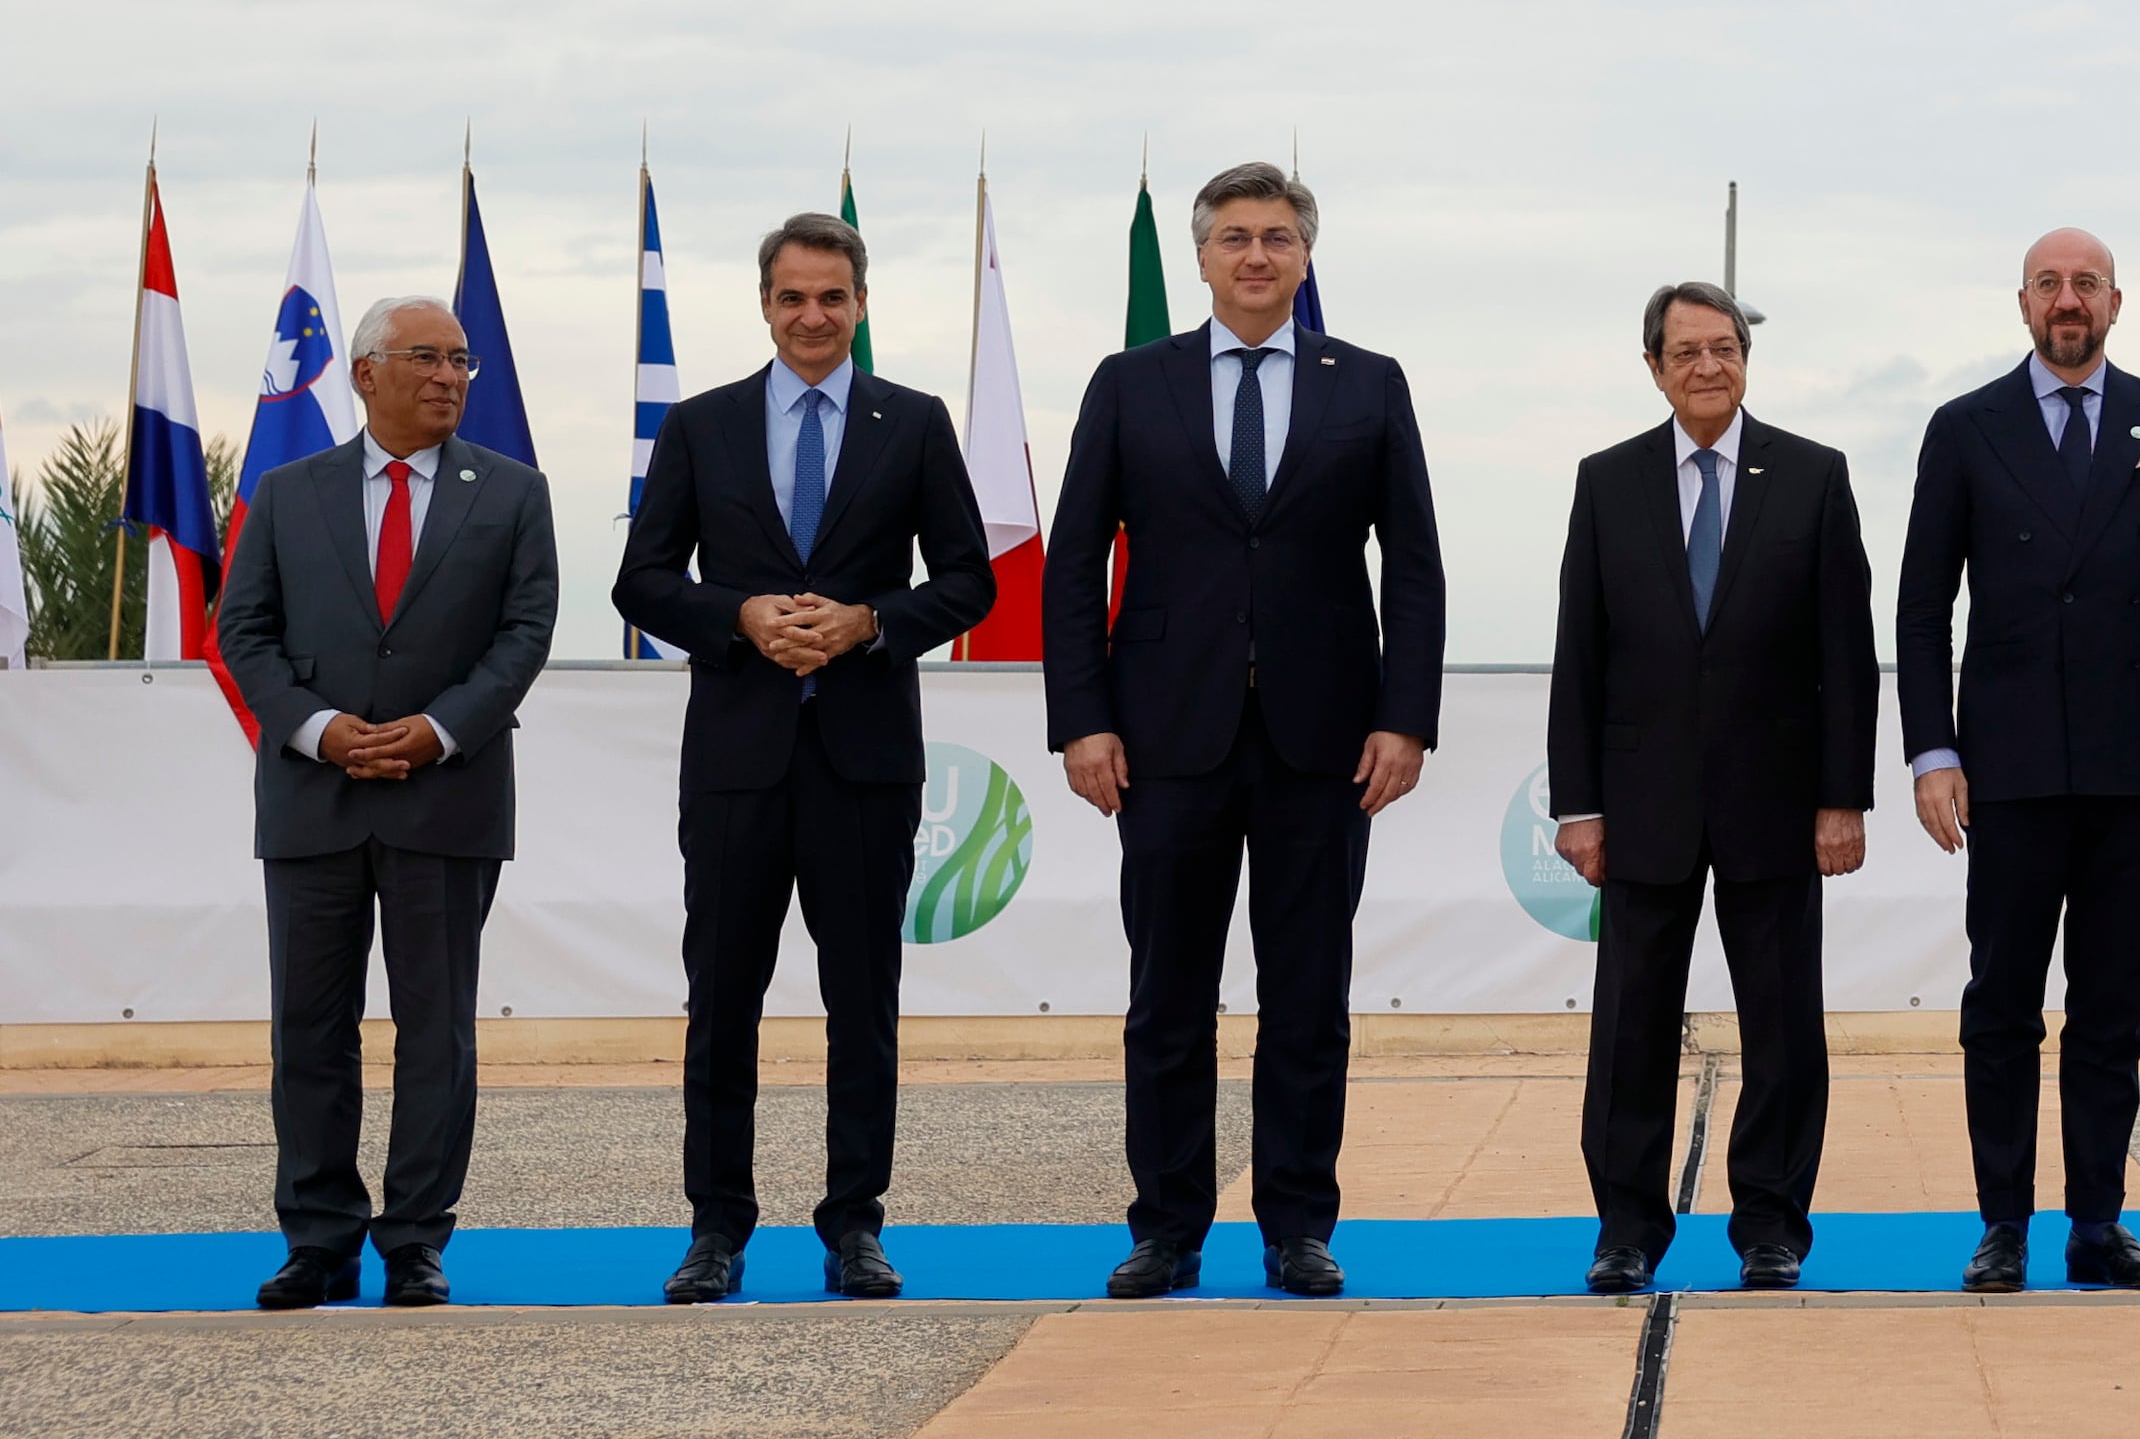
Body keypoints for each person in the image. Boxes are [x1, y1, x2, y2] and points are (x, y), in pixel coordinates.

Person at [1037, 161, 1447, 1301]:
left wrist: (1404, 717)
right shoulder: (1131, 382)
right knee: (1168, 995)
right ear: (1203, 256)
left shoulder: (1366, 384)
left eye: (1275, 236)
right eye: (1233, 237)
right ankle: (1166, 1228)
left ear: (1305, 255)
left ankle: (1296, 1226)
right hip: (1166, 737)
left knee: (1307, 996)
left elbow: (1411, 565)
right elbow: (1074, 562)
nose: (1255, 255)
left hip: (1324, 740)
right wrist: (1082, 720)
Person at [611, 213, 1000, 1303]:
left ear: (859, 303)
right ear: (766, 304)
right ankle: (715, 1230)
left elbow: (970, 580)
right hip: (737, 759)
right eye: (793, 297)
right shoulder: (701, 424)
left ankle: (855, 1226)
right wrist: (738, 617)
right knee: (720, 1000)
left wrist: (867, 621)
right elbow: (642, 580)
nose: (813, 316)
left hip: (865, 759)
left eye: (832, 297)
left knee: (862, 1000)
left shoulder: (913, 424)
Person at [212, 295, 563, 1311]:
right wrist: (320, 729)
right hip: (312, 796)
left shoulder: (512, 493)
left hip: (446, 793)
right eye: (428, 357)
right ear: (367, 373)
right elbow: (246, 633)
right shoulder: (286, 493)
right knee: (309, 1030)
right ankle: (317, 1240)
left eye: (462, 361)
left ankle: (416, 1239)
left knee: (436, 1029)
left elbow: (525, 630)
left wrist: (439, 728)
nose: (450, 376)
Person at [1898, 230, 2140, 1295]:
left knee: (2110, 1007)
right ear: (2022, 304)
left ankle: (2096, 1223)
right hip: (2006, 767)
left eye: (2085, 283)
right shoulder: (1963, 428)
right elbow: (1919, 605)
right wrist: (1930, 749)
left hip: (2133, 767)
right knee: (1999, 1002)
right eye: (2049, 284)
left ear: (2116, 302)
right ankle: (2003, 1223)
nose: (2067, 299)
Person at [1552, 279, 1876, 1294]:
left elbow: (1846, 653)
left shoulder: (1813, 477)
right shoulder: (1607, 482)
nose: (1706, 365)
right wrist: (1579, 803)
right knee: (1631, 1027)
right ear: (1653, 366)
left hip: (1777, 803)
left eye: (1723, 347)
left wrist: (1842, 796)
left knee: (1783, 1023)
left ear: (1746, 357)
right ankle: (1625, 1231)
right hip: (1641, 803)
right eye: (1684, 350)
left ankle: (1770, 1225)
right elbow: (1581, 654)